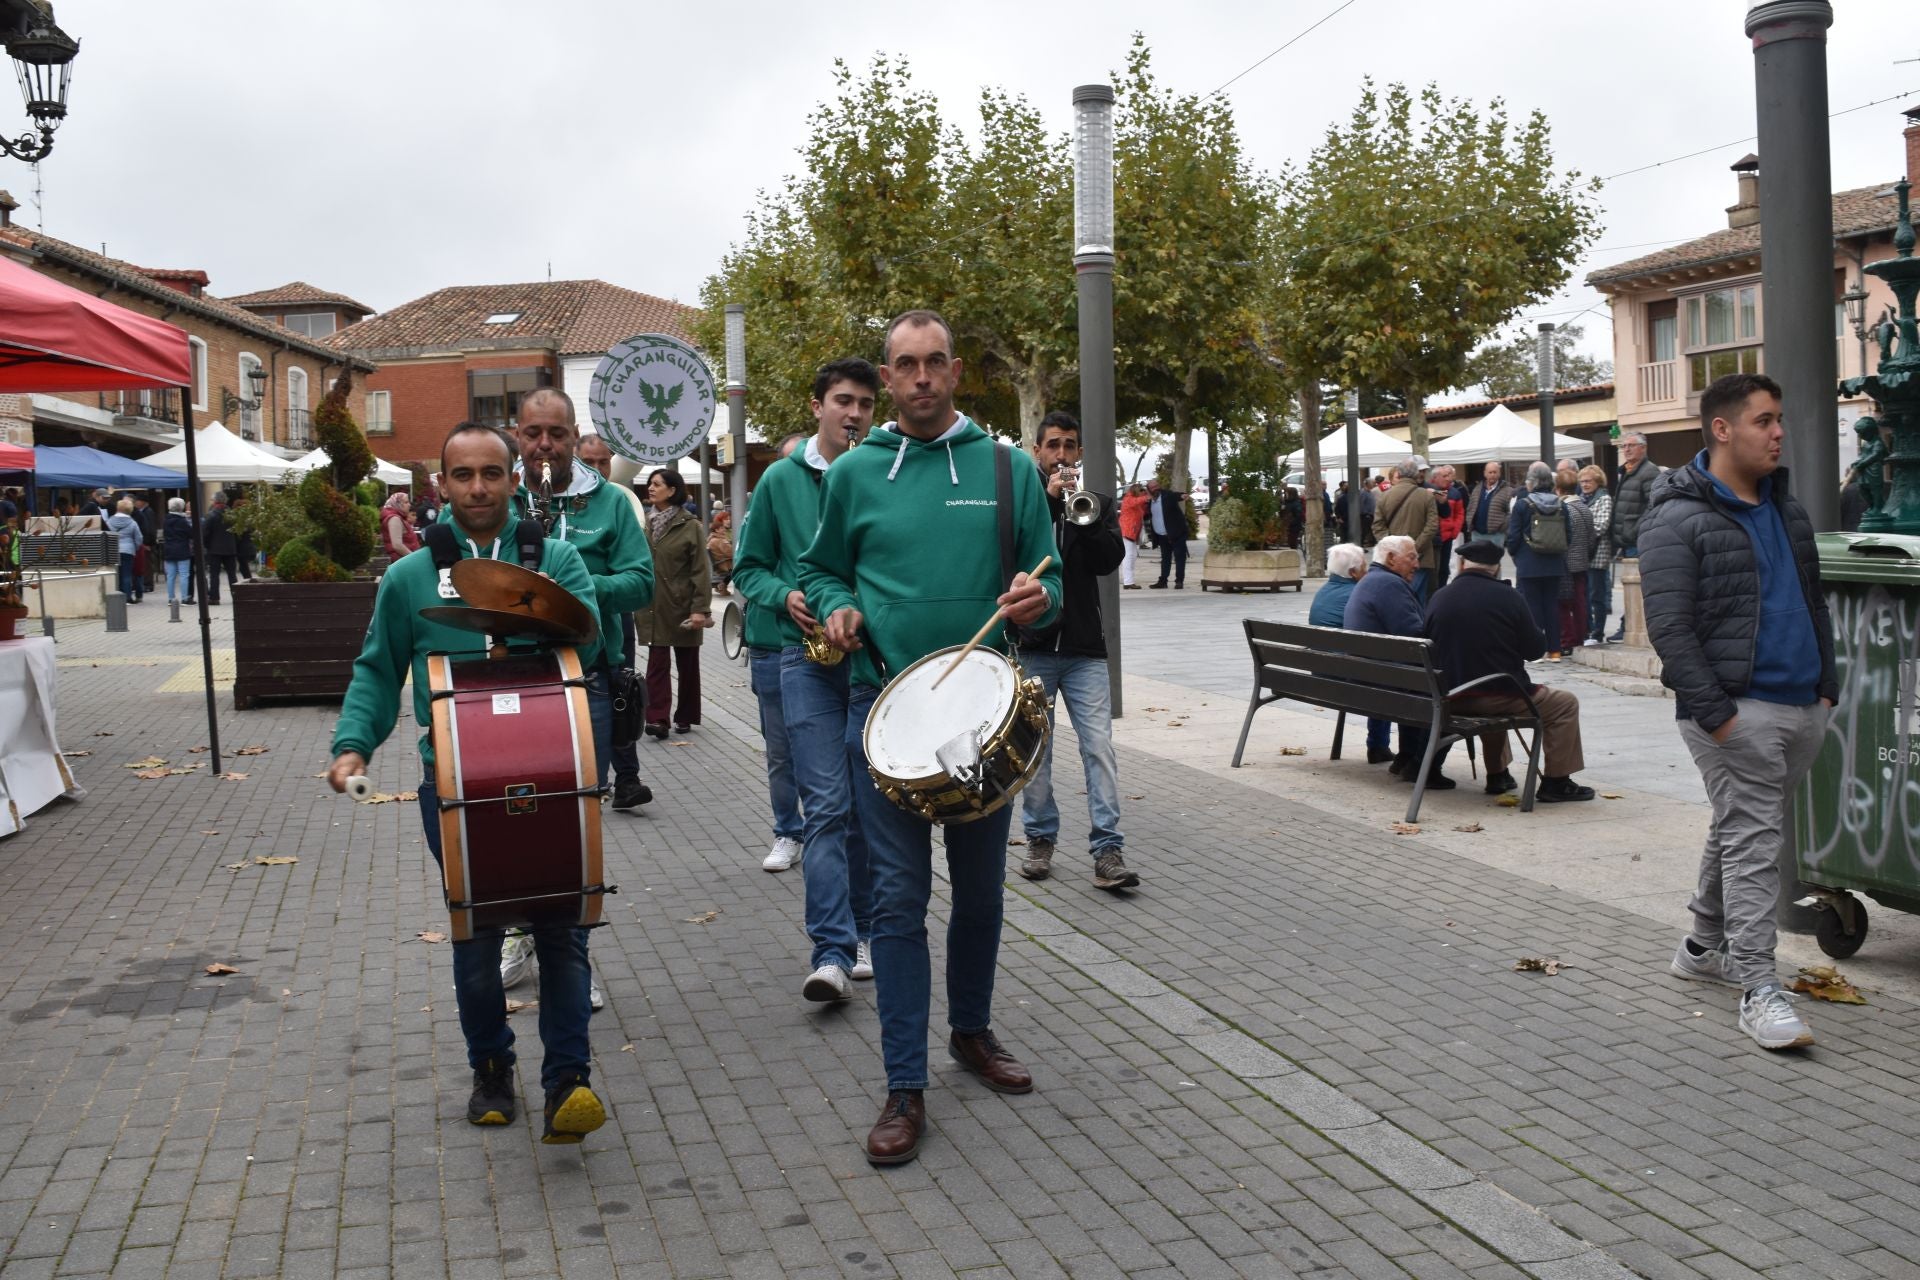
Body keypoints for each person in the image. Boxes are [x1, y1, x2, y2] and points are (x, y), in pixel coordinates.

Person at [798, 308, 1061, 1166]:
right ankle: (903, 1083)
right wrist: (836, 602)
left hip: (982, 724)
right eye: (904, 365)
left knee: (982, 898)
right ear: (888, 374)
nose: (919, 378)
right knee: (898, 908)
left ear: (956, 371)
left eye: (934, 363)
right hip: (884, 716)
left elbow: (1044, 575)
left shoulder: (1005, 465)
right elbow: (820, 566)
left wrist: (1036, 600)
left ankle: (972, 1033)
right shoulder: (854, 473)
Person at [327, 421, 609, 1143]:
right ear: (441, 485)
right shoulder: (409, 577)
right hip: (450, 781)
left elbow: (593, 640)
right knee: (478, 931)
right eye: (463, 476)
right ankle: (491, 1067)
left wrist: (540, 609)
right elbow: (376, 669)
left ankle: (568, 1081)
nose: (478, 488)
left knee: (560, 928)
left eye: (492, 473)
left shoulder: (559, 559)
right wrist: (353, 746)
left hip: (551, 776)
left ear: (515, 479)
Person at [1640, 372, 1836, 1051]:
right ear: (1722, 429)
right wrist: (1720, 716)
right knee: (1756, 844)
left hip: (1801, 703)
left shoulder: (1789, 510)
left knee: (1739, 827)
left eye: (1779, 418)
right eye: (1764, 420)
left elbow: (1814, 603)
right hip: (1734, 712)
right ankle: (1758, 986)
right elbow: (1668, 629)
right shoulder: (1675, 517)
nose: (1778, 432)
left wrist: (1827, 687)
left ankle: (1700, 947)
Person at [730, 358, 879, 1016]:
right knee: (824, 809)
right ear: (816, 405)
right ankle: (831, 952)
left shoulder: (883, 470)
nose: (854, 414)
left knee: (869, 812)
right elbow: (748, 568)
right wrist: (785, 593)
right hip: (804, 657)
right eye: (843, 401)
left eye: (865, 404)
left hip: (874, 662)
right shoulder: (779, 482)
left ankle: (870, 932)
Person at [510, 389, 656, 816]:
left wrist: (577, 587)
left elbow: (643, 584)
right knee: (519, 794)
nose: (544, 445)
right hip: (510, 666)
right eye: (533, 433)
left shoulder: (609, 500)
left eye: (556, 433)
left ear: (573, 436)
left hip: (589, 668)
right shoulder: (499, 495)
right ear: (517, 435)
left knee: (580, 803)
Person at [1013, 411, 1136, 890]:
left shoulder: (1098, 504)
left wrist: (1078, 518)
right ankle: (1040, 839)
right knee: (1035, 751)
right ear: (1038, 452)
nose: (1061, 454)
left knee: (1099, 748)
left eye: (1069, 445)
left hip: (1085, 649)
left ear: (1079, 452)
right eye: (1053, 446)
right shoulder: (1027, 507)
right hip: (1035, 646)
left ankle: (1108, 847)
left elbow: (1110, 561)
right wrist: (1046, 506)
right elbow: (1014, 556)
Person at [1425, 540, 1596, 801]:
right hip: (1495, 695)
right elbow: (1535, 650)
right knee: (1564, 703)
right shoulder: (1509, 597)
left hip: (1449, 696)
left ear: (1461, 564)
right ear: (1495, 569)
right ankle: (1557, 781)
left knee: (1494, 690)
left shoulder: (1440, 597)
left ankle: (1498, 775)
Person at [1345, 535, 1452, 789]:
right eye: (1412, 557)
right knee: (1445, 689)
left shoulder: (1372, 580)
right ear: (1391, 559)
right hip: (1384, 682)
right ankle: (1421, 764)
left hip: (1367, 679)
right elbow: (1415, 635)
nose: (1417, 564)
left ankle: (1406, 757)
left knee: (1412, 678)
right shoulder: (1389, 585)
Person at [637, 468, 712, 736]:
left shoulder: (690, 525)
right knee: (656, 664)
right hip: (653, 604)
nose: (651, 488)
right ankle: (657, 718)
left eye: (657, 484)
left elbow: (701, 570)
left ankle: (686, 715)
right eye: (650, 484)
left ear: (672, 490)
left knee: (687, 664)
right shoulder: (644, 523)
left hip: (683, 604)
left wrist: (700, 609)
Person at [1310, 543, 1389, 764]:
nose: (1368, 571)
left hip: (1321, 676)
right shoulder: (1359, 594)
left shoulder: (1323, 592)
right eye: (1365, 567)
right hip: (1347, 679)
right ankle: (1379, 746)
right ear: (1353, 573)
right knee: (1390, 676)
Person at [1505, 463, 1570, 661]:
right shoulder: (1562, 504)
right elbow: (1569, 535)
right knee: (1551, 605)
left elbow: (1513, 536)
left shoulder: (1523, 505)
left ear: (1532, 483)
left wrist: (1516, 555)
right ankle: (1555, 650)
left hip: (1528, 562)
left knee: (1532, 608)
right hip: (1554, 563)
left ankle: (1537, 650)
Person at [1607, 431, 1660, 642]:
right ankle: (1628, 624)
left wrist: (1635, 530)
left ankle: (1629, 625)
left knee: (1638, 586)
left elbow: (1652, 505)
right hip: (1626, 540)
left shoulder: (1648, 472)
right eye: (1624, 446)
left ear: (1643, 448)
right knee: (1631, 584)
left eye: (1631, 445)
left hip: (1638, 539)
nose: (1626, 450)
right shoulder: (1628, 471)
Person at [1376, 456, 1439, 601]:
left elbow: (1377, 526)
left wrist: (1391, 548)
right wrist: (1414, 548)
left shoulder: (1384, 497)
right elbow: (1432, 525)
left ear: (1399, 473)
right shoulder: (1426, 496)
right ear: (1416, 474)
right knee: (1417, 599)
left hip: (1392, 558)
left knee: (1396, 598)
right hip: (1421, 557)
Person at [1553, 469, 1594, 655]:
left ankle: (1568, 640)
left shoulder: (1564, 509)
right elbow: (1592, 538)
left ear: (1558, 488)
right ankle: (1580, 637)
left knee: (1563, 603)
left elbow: (1562, 538)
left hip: (1567, 562)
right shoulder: (1585, 507)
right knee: (1580, 602)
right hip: (1582, 561)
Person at [1577, 465, 1614, 645]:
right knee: (1585, 595)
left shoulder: (1604, 499)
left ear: (1597, 481)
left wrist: (1579, 532)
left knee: (1597, 596)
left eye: (1588, 481)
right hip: (1583, 554)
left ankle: (1597, 632)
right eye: (1582, 481)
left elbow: (1601, 525)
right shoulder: (1581, 499)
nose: (1585, 484)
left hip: (1598, 554)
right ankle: (1588, 630)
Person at [1146, 476, 1189, 589]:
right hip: (1162, 535)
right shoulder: (1150, 501)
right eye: (1153, 487)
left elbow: (1176, 495)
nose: (1156, 488)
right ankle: (1163, 581)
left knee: (1179, 558)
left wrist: (1182, 495)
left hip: (1176, 533)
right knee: (1165, 558)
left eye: (1157, 486)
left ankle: (1179, 581)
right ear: (1149, 490)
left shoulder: (1167, 495)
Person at [1430, 465, 1465, 591]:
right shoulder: (1429, 491)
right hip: (1433, 536)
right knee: (1434, 569)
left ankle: (1442, 590)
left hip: (1448, 536)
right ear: (1435, 478)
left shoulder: (1455, 493)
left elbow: (1459, 513)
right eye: (1444, 476)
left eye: (1449, 476)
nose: (1448, 479)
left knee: (1445, 568)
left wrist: (1454, 531)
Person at [201, 492, 239, 604]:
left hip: (214, 549)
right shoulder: (232, 515)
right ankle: (236, 597)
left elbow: (205, 533)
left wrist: (207, 545)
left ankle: (214, 598)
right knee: (232, 575)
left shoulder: (211, 515)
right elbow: (237, 532)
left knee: (214, 575)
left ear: (215, 501)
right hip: (230, 548)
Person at [1465, 461, 1513, 551]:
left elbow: (1510, 512)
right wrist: (1470, 523)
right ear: (1485, 473)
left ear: (1499, 474)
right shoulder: (1477, 489)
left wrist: (1502, 527)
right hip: (1477, 534)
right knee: (1478, 562)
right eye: (1490, 472)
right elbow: (1470, 507)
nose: (1492, 475)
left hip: (1496, 535)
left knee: (1493, 563)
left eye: (1495, 472)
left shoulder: (1507, 491)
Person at [106, 498, 142, 603]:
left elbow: (107, 535)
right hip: (128, 551)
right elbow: (139, 538)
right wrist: (135, 548)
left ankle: (116, 597)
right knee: (127, 575)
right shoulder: (132, 523)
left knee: (116, 574)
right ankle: (127, 597)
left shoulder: (109, 521)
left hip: (113, 550)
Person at [162, 497, 195, 607]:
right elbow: (191, 534)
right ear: (181, 508)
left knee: (170, 576)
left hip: (169, 549)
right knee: (184, 575)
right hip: (182, 549)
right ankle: (184, 598)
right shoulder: (182, 521)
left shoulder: (166, 520)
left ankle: (171, 599)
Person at [1118, 483, 1149, 589]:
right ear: (1136, 491)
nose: (1143, 492)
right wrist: (1147, 496)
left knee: (1132, 556)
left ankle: (1129, 580)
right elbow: (1136, 502)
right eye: (1141, 490)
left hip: (1133, 531)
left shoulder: (1136, 500)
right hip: (1127, 531)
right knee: (1129, 556)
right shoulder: (1129, 499)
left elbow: (1141, 509)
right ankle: (1128, 582)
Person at [379, 492, 421, 563]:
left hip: (403, 560)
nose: (409, 505)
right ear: (397, 504)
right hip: (403, 562)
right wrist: (414, 559)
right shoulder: (394, 519)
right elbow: (397, 545)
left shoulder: (397, 517)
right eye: (406, 502)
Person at [707, 509, 734, 595]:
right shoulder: (720, 540)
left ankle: (722, 585)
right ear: (717, 530)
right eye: (722, 528)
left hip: (720, 563)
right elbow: (730, 552)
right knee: (740, 566)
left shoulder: (712, 538)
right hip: (725, 564)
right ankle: (722, 585)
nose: (724, 529)